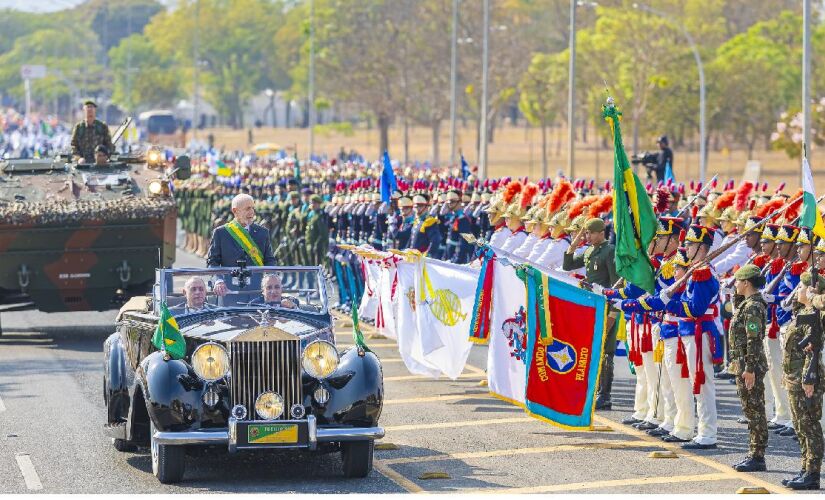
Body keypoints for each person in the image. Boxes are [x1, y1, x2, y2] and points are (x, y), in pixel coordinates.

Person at [563, 217, 618, 409]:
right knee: (592, 348)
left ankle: (605, 395)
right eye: (586, 233)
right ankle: (593, 390)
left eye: (590, 233)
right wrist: (576, 240)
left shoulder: (609, 252)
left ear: (601, 232)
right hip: (590, 307)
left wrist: (613, 314)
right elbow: (567, 265)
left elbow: (616, 284)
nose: (587, 236)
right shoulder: (589, 250)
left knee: (606, 352)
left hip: (605, 307)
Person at [783, 272, 825, 490]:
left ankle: (812, 473)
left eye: (801, 287)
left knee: (809, 425)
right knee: (800, 425)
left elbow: (813, 351)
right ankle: (805, 467)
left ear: (810, 290)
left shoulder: (816, 315)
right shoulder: (804, 312)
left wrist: (809, 378)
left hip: (807, 378)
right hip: (795, 377)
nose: (797, 290)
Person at [728, 264, 769, 472]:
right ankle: (753, 453)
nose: (734, 284)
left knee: (755, 410)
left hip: (749, 364)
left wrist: (750, 368)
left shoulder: (753, 306)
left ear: (746, 283)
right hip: (743, 363)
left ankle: (757, 456)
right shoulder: (747, 303)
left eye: (737, 281)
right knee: (750, 409)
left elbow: (754, 339)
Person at [207, 193, 277, 296]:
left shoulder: (263, 232)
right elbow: (212, 262)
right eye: (248, 208)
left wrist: (270, 278)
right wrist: (218, 281)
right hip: (228, 291)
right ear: (235, 211)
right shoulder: (221, 232)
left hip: (257, 291)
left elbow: (270, 260)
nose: (252, 212)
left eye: (253, 208)